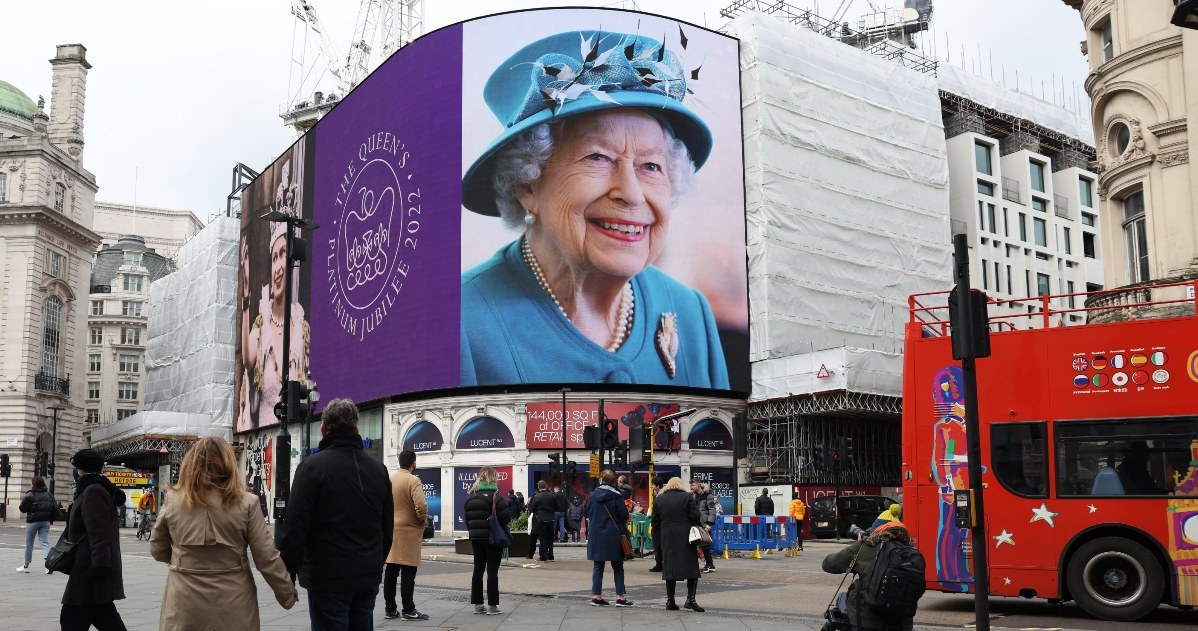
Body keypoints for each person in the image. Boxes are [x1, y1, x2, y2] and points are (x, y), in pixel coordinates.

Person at [460, 29, 729, 389]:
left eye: (651, 166)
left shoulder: (691, 313)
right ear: (527, 184)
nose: (632, 194)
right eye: (598, 157)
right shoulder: (461, 323)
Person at [149, 437, 297, 629]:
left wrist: (183, 561)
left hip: (184, 597)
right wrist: (286, 593)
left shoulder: (173, 500)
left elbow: (157, 547)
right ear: (229, 464)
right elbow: (266, 556)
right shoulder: (247, 503)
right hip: (235, 598)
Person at [277, 398, 393, 630]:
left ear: (323, 429)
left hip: (327, 576)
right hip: (366, 574)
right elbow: (387, 526)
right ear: (356, 429)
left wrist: (288, 570)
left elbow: (295, 527)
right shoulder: (378, 470)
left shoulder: (312, 467)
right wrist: (375, 563)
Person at [237, 204, 310, 432]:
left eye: (283, 255)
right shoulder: (262, 324)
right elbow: (248, 360)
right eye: (275, 257)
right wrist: (246, 294)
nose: (278, 266)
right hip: (265, 436)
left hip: (296, 434)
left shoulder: (302, 328)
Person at [60, 449, 128, 631]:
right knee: (105, 618)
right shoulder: (92, 489)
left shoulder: (93, 491)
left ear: (81, 469)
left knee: (70, 620)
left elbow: (99, 533)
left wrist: (99, 567)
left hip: (90, 569)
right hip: (90, 567)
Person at [822, 521, 918, 631]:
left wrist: (858, 546)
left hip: (866, 620)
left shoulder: (867, 546)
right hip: (902, 622)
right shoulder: (912, 554)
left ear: (880, 533)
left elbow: (829, 564)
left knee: (843, 599)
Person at [383, 449, 430, 621]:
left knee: (391, 570)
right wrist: (422, 520)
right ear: (413, 463)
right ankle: (409, 610)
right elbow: (421, 506)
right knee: (408, 572)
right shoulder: (413, 480)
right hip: (409, 530)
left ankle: (390, 609)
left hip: (391, 529)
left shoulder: (390, 478)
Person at [652, 477, 705, 612]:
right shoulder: (687, 497)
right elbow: (695, 515)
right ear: (681, 485)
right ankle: (690, 600)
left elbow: (655, 522)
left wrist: (660, 538)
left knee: (670, 568)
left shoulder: (659, 499)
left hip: (667, 537)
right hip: (685, 536)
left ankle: (670, 601)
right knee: (691, 567)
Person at [463, 466, 510, 615]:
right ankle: (493, 606)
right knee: (492, 571)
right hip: (492, 538)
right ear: (493, 478)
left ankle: (478, 604)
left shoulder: (471, 496)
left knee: (478, 570)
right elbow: (506, 518)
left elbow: (467, 519)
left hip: (476, 538)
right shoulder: (496, 496)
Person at [585, 470, 634, 607]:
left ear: (600, 480)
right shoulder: (617, 496)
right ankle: (620, 597)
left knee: (598, 565)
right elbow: (624, 515)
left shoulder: (592, 496)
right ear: (613, 481)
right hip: (614, 534)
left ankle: (596, 596)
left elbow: (587, 512)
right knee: (618, 565)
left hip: (596, 534)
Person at [17, 476, 54, 573]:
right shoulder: (49, 495)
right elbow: (54, 507)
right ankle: (49, 567)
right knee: (45, 543)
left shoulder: (30, 495)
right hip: (46, 521)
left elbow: (22, 509)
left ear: (34, 484)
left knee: (29, 544)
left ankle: (26, 567)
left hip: (33, 521)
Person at [690, 479, 717, 573]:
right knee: (701, 546)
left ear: (698, 485)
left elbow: (712, 511)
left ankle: (711, 565)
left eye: (693, 485)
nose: (691, 487)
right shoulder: (693, 496)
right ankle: (708, 565)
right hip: (696, 524)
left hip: (704, 524)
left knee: (705, 545)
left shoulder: (708, 496)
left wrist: (709, 524)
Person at [526, 481, 556, 561]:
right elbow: (556, 507)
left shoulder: (537, 497)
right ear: (546, 486)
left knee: (542, 539)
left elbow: (532, 509)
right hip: (551, 519)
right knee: (550, 539)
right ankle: (551, 555)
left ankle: (543, 556)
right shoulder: (552, 496)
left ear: (539, 487)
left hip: (541, 519)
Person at [647, 476, 664, 572]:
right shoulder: (658, 495)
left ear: (658, 485)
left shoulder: (661, 496)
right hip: (657, 524)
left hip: (659, 525)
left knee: (659, 545)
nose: (652, 486)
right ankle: (659, 563)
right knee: (657, 545)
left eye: (653, 485)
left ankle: (659, 564)